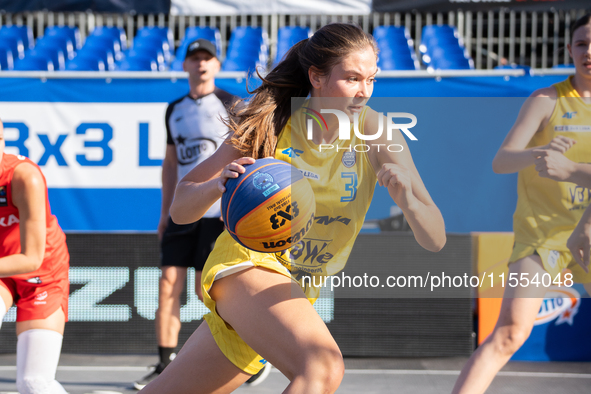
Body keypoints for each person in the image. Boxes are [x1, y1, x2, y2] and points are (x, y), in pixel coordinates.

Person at [141, 22, 446, 394]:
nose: (363, 92)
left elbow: (435, 238)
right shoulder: (272, 122)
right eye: (351, 79)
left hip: (298, 284)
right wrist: (217, 185)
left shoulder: (379, 133)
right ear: (316, 76)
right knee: (322, 367)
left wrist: (409, 203)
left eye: (371, 79)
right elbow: (181, 209)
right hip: (247, 265)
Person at [452, 13, 591, 394]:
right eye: (581, 43)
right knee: (509, 334)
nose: (589, 51)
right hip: (543, 234)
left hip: (588, 232)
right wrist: (538, 153)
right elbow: (502, 161)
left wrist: (570, 170)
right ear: (569, 50)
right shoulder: (547, 99)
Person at [134, 39, 241, 390]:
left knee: (204, 291)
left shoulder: (231, 104)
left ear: (217, 65)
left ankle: (245, 357)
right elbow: (170, 164)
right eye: (194, 58)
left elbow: (245, 156)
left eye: (207, 58)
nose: (201, 64)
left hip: (217, 212)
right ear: (184, 66)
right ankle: (164, 362)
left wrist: (233, 207)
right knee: (167, 285)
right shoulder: (174, 109)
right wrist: (166, 212)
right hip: (184, 211)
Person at [0, 119, 70, 394]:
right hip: (2, 273)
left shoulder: (23, 176)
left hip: (41, 272)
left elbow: (31, 258)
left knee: (34, 383)